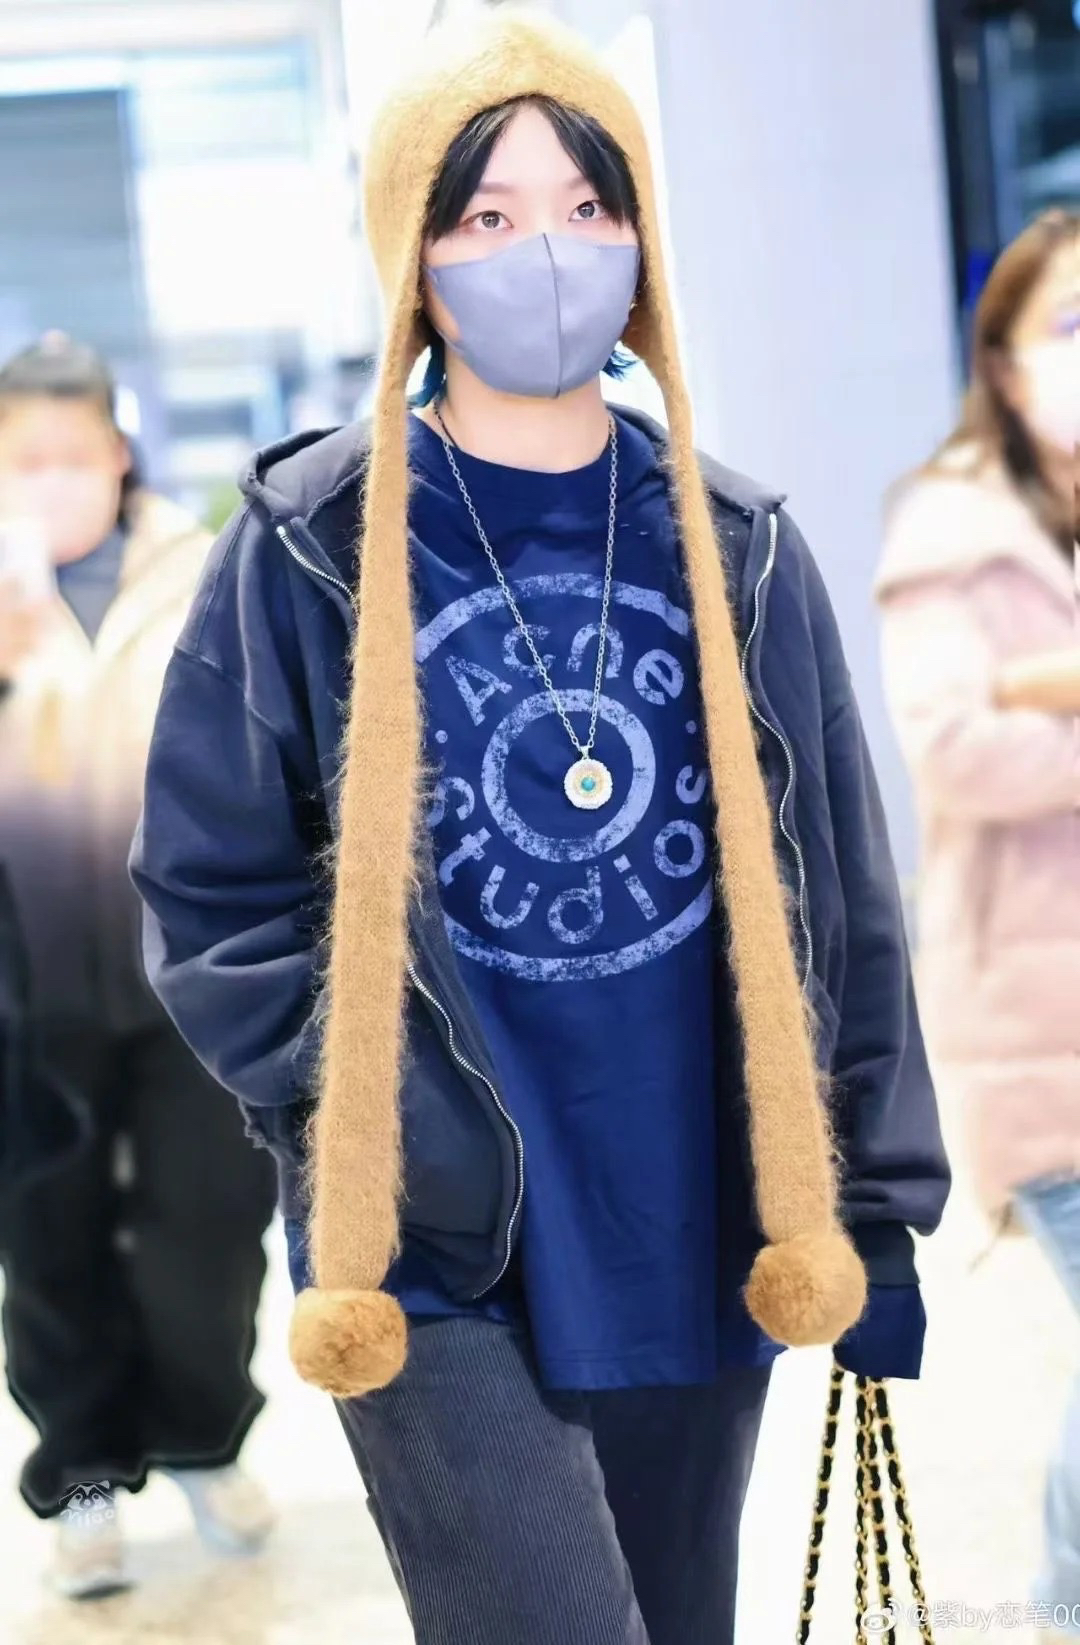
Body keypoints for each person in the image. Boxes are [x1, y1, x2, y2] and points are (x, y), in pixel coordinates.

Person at [132, 14, 949, 1644]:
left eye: (586, 207)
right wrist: (368, 1105)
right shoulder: (307, 545)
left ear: (641, 239)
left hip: (697, 1213)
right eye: (488, 217)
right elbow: (208, 890)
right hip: (431, 1243)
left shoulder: (739, 544)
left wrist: (875, 1203)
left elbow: (841, 900)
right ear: (413, 261)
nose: (549, 256)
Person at [0, 335, 277, 1599]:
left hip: (190, 971)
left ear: (119, 452)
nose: (54, 478)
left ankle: (206, 1431)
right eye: (25, 459)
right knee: (48, 1239)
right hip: (26, 986)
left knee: (206, 1230)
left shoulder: (200, 566)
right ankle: (85, 1474)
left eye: (75, 453)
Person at [879, 209, 1079, 1634]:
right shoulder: (953, 529)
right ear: (1003, 364)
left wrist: (1051, 685)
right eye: (1067, 325)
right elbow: (956, 749)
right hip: (1044, 1021)